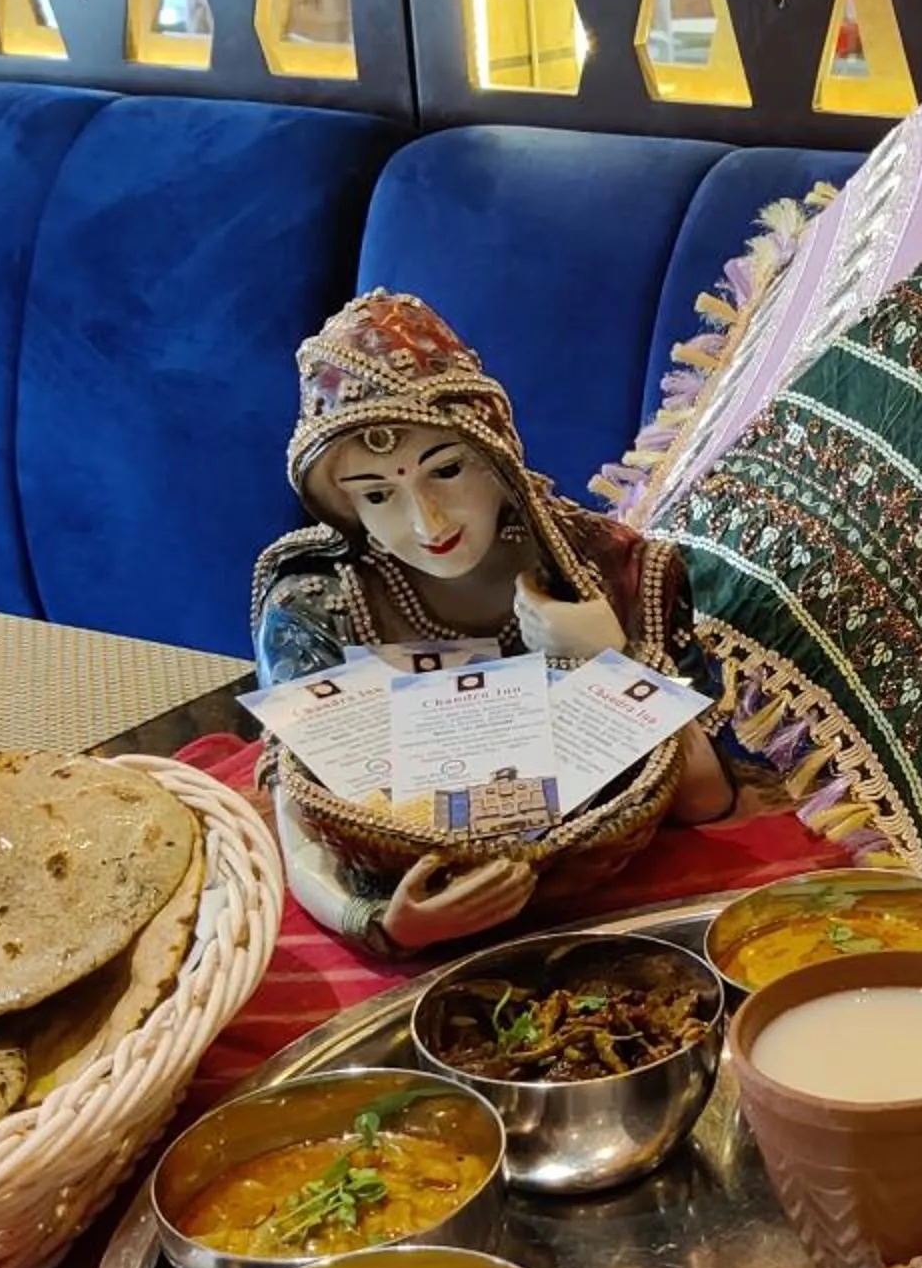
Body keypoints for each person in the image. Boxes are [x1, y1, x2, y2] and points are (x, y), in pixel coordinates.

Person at [251, 290, 734, 957]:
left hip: (617, 913)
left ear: (498, 456)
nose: (428, 523)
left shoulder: (608, 568)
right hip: (427, 918)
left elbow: (705, 802)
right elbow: (302, 819)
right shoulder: (314, 605)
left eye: (447, 471)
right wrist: (383, 924)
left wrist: (614, 661)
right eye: (377, 495)